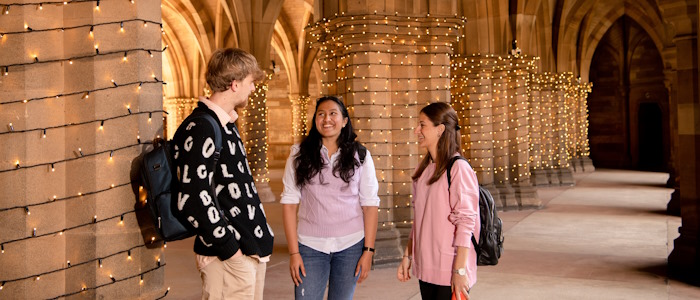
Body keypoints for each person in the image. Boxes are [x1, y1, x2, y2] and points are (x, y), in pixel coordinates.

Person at [172, 48, 274, 300]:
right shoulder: (201, 127)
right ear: (234, 84)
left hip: (249, 254)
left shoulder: (225, 124)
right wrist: (230, 250)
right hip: (228, 258)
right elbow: (192, 198)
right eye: (250, 82)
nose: (253, 89)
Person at [280, 95, 380, 300]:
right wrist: (294, 253)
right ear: (315, 120)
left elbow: (370, 205)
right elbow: (289, 205)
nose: (327, 119)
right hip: (310, 246)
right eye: (321, 114)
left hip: (351, 246)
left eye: (333, 113)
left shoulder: (360, 155)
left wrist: (368, 251)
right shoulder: (298, 155)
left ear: (344, 121)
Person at [396, 102, 480, 300]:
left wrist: (459, 271)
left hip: (449, 268)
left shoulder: (458, 168)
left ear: (440, 129)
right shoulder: (423, 170)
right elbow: (419, 220)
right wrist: (408, 256)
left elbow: (466, 222)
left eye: (422, 125)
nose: (417, 130)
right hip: (426, 267)